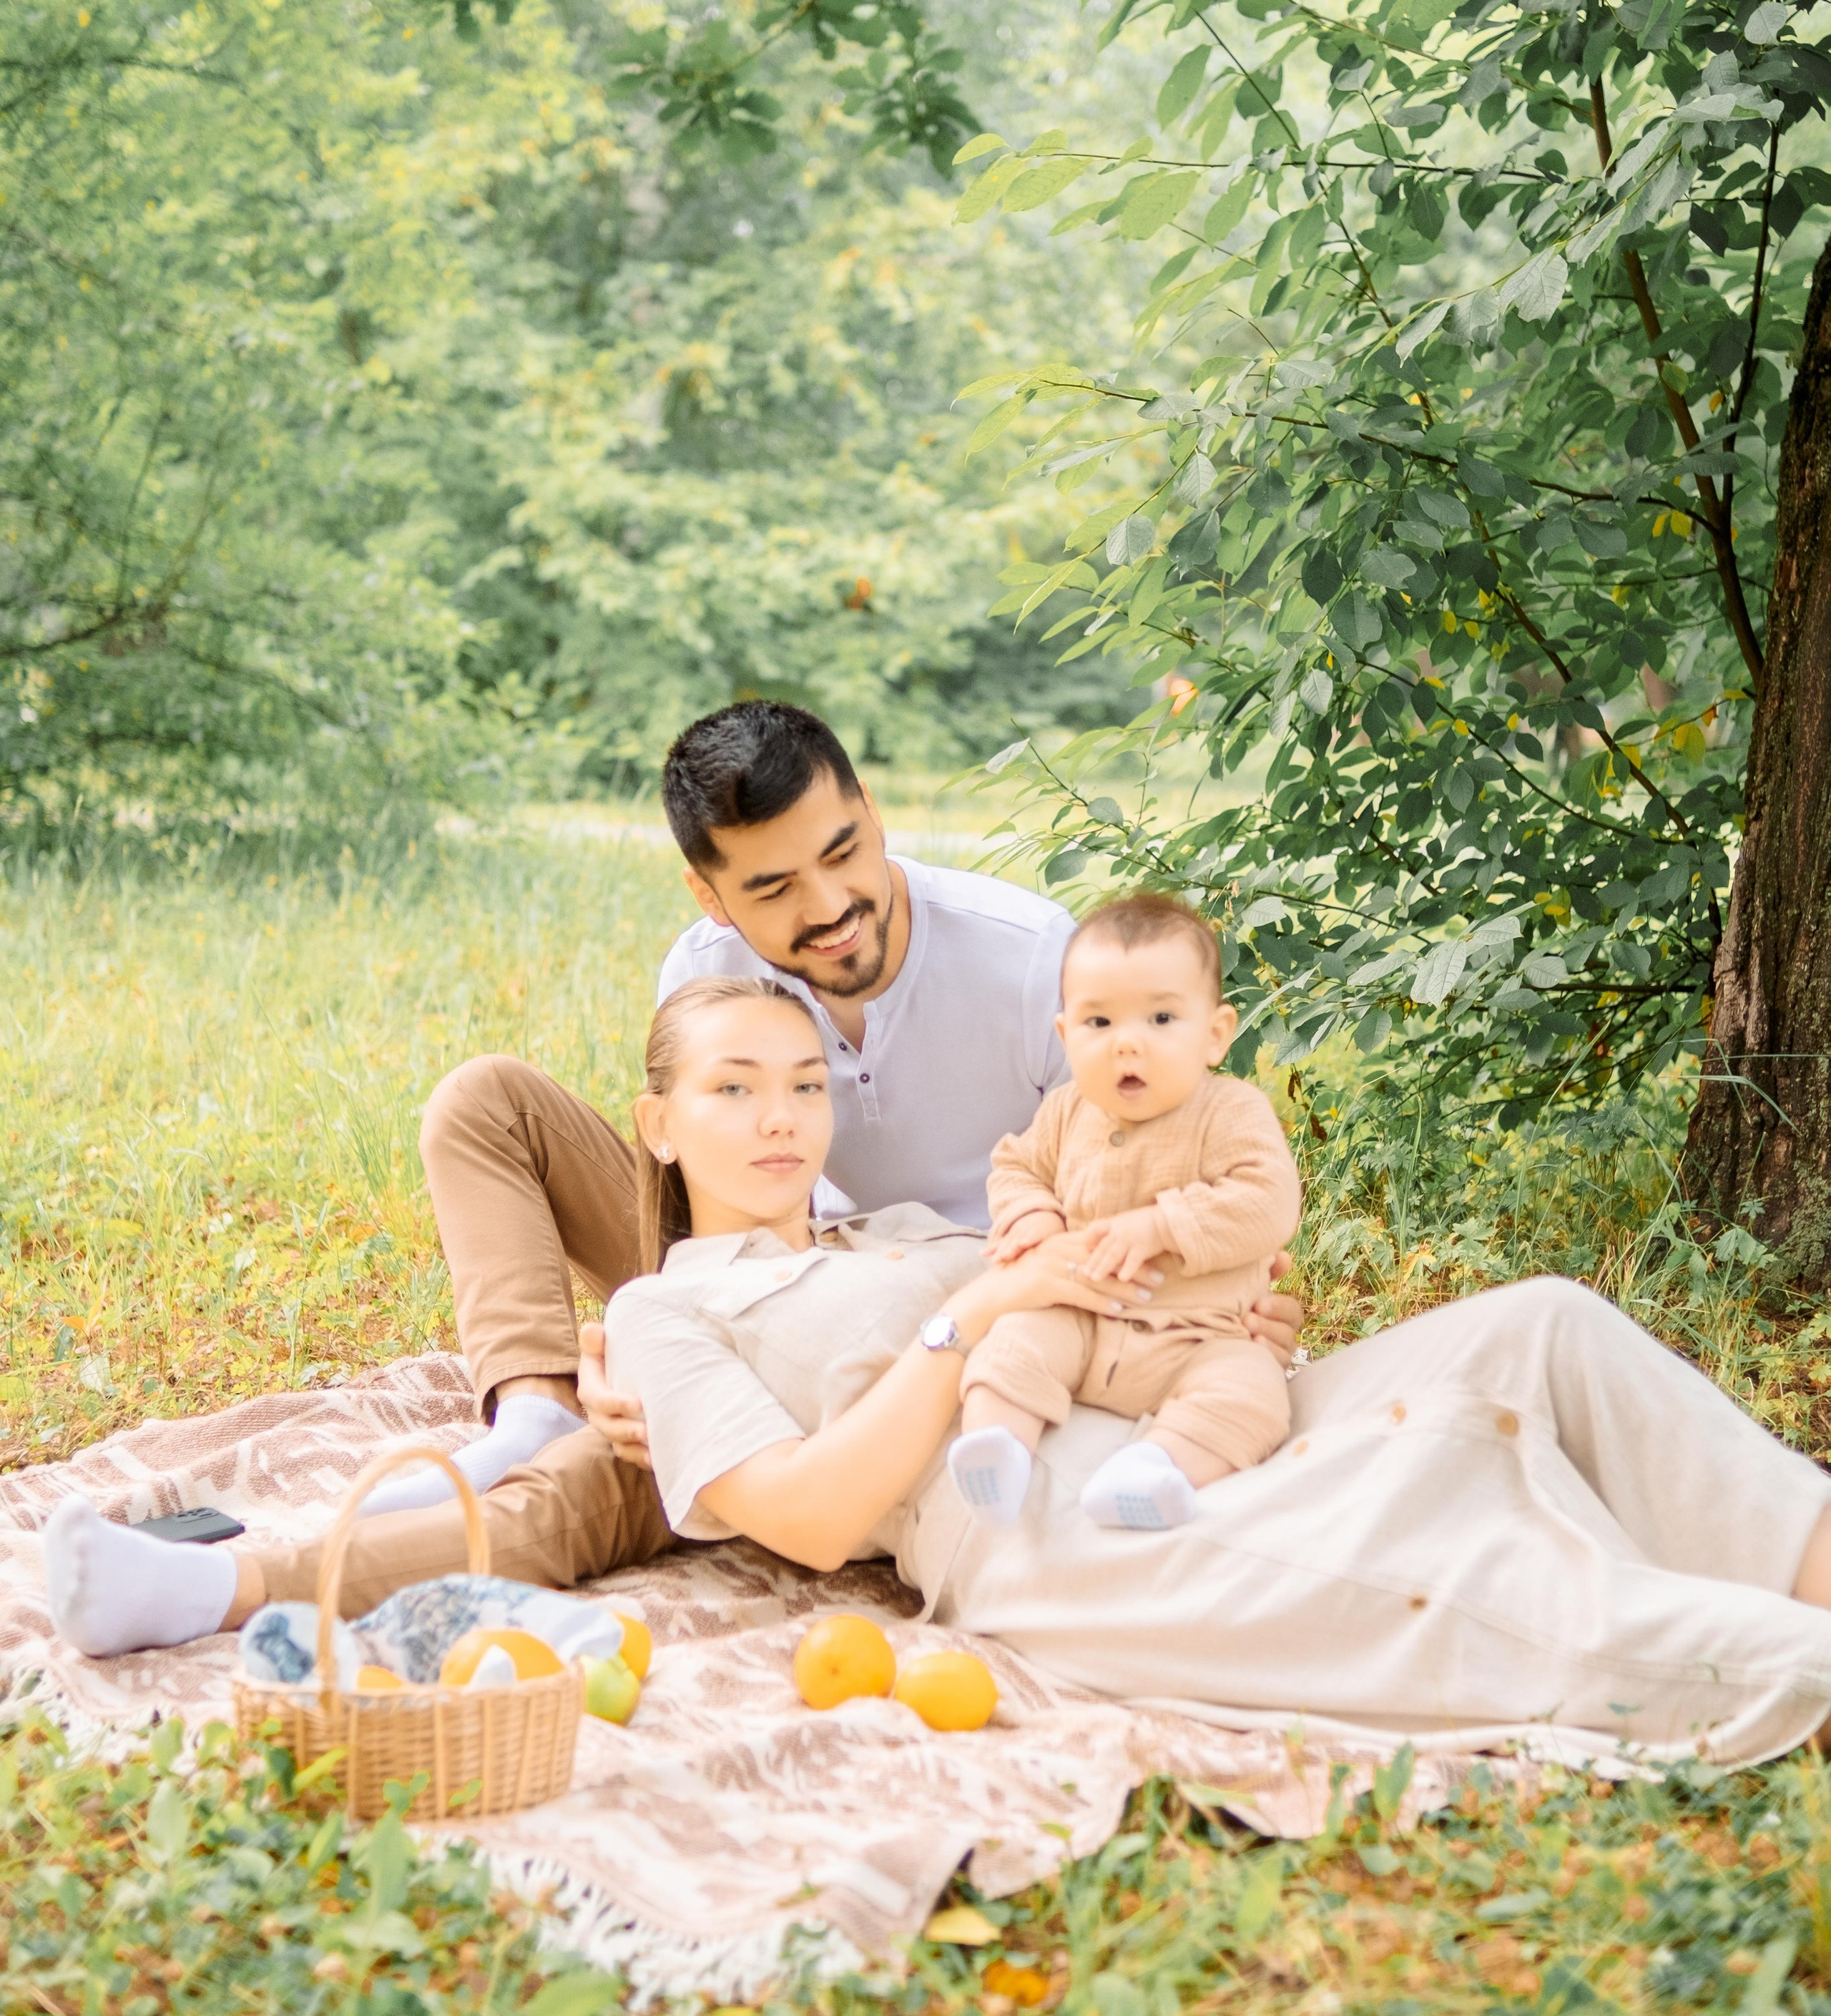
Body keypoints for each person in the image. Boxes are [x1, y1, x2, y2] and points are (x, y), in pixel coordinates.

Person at [45, 984, 1831, 1776]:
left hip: (1184, 1410)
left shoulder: (891, 1219)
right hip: (1053, 1514)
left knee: (1533, 1322)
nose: (775, 1118)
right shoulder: (671, 1313)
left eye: (802, 1084)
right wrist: (970, 1319)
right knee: (1486, 1578)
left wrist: (1176, 1284)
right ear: (657, 1124)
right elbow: (816, 1519)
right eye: (732, 1089)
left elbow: (1131, 1248)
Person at [350, 695, 1089, 1533]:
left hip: (965, 1301)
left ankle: (263, 1580)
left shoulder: (1032, 959)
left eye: (843, 853)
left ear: (873, 813)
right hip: (769, 1265)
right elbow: (702, 1206)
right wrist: (615, 1346)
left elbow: (1116, 1197)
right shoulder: (708, 969)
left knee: (608, 1488)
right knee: (485, 1100)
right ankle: (536, 1413)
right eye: (774, 890)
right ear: (710, 896)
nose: (830, 908)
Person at [951, 891, 1301, 1536]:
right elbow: (1016, 1167)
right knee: (1012, 1345)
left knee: (1252, 1394)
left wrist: (1164, 1225)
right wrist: (1034, 1217)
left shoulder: (1230, 1111)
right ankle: (997, 1450)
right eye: (1100, 1024)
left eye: (1162, 1019)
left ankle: (1156, 1466)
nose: (1127, 1046)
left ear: (1216, 1034)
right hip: (1081, 1318)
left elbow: (1269, 1200)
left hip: (1201, 1337)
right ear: (1065, 1034)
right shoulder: (1064, 1112)